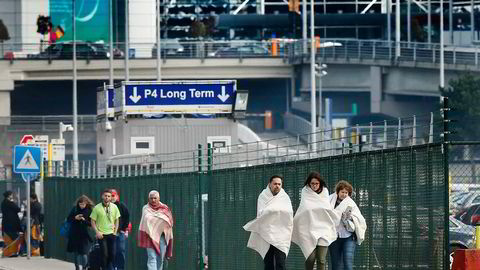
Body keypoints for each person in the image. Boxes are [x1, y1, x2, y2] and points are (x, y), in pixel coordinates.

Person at [243, 175, 293, 270]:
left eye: (279, 184)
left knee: (281, 264)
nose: (277, 186)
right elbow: (261, 214)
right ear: (270, 184)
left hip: (281, 235)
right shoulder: (263, 196)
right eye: (275, 184)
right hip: (266, 234)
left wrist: (272, 210)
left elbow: (289, 214)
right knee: (268, 264)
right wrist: (274, 210)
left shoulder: (285, 197)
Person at [292, 172, 339, 270]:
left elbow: (326, 208)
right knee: (310, 258)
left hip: (323, 229)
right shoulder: (305, 191)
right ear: (309, 183)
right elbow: (304, 208)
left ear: (320, 183)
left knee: (321, 260)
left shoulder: (325, 192)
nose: (314, 186)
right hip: (308, 230)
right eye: (312, 183)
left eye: (316, 183)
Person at [329, 180, 367, 270]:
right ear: (337, 192)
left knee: (348, 263)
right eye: (342, 192)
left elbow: (359, 219)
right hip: (334, 236)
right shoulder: (329, 201)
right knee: (336, 265)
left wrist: (349, 218)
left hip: (348, 237)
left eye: (347, 192)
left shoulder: (351, 203)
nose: (344, 194)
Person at [137, 190, 174, 270]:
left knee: (160, 258)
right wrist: (159, 220)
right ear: (148, 199)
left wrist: (157, 222)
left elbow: (169, 221)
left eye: (155, 198)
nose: (153, 200)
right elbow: (147, 220)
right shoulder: (145, 208)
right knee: (152, 258)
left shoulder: (165, 208)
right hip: (149, 236)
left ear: (159, 198)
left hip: (162, 237)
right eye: (151, 198)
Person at [90, 189, 121, 270]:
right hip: (102, 234)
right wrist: (97, 232)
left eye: (108, 196)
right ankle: (104, 268)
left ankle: (105, 267)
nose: (107, 197)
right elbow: (92, 221)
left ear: (111, 198)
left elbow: (117, 220)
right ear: (102, 196)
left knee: (113, 254)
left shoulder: (114, 207)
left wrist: (115, 232)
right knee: (104, 254)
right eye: (105, 196)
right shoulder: (97, 207)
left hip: (111, 233)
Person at [67, 195, 94, 270]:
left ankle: (84, 268)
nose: (82, 206)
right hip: (74, 233)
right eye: (80, 204)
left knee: (84, 253)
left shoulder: (90, 210)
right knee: (76, 253)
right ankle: (77, 268)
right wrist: (75, 218)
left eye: (83, 204)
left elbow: (91, 223)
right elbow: (68, 219)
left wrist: (83, 220)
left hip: (85, 234)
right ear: (78, 203)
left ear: (87, 203)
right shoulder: (75, 209)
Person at [111, 189, 130, 270]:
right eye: (110, 196)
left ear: (117, 196)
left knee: (121, 251)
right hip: (109, 233)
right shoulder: (105, 207)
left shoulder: (122, 206)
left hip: (120, 232)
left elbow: (127, 217)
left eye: (113, 195)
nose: (112, 198)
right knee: (112, 251)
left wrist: (124, 229)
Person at [1, 191, 23, 257]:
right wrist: (13, 202)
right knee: (14, 238)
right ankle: (13, 252)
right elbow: (18, 209)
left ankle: (8, 252)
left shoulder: (3, 203)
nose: (12, 196)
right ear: (9, 196)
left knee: (8, 238)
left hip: (6, 223)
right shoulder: (9, 203)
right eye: (11, 195)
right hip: (11, 224)